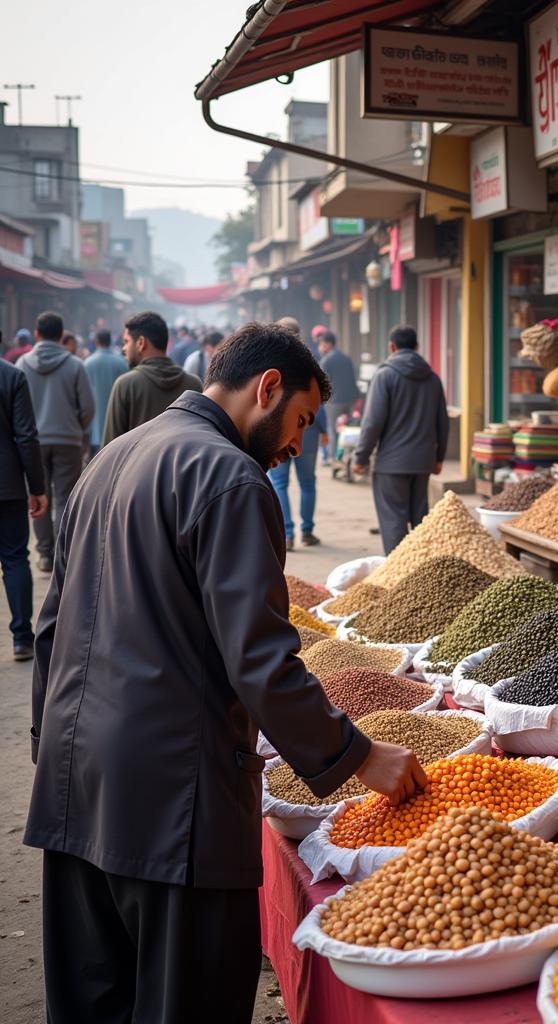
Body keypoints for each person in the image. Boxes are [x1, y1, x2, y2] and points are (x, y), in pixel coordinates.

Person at [25, 321, 427, 1024]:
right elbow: (262, 659)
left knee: (96, 1000)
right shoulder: (230, 476)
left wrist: (50, 750)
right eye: (300, 419)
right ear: (266, 388)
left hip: (74, 782)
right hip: (171, 800)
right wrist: (360, 756)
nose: (299, 443)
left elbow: (53, 625)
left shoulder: (112, 457)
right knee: (189, 1001)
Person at [353, 325, 449, 554]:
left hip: (391, 463)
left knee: (393, 521)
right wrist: (439, 457)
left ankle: (399, 580)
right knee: (420, 519)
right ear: (417, 347)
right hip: (423, 462)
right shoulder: (433, 379)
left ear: (391, 346)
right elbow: (442, 423)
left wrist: (361, 457)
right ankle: (422, 571)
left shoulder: (384, 376)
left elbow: (372, 422)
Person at [16, 312, 94, 573]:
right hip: (67, 441)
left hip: (32, 442)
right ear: (62, 336)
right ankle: (63, 555)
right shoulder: (75, 365)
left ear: (36, 334)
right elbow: (88, 407)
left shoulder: (22, 365)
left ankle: (45, 554)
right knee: (64, 498)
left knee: (38, 497)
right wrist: (75, 428)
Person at [0, 358, 47, 660]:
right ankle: (21, 638)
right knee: (16, 558)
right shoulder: (12, 376)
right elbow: (26, 436)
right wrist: (37, 487)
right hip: (8, 485)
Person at [103, 311, 202, 445]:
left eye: (126, 341)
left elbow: (110, 447)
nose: (123, 349)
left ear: (141, 343)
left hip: (136, 466)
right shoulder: (194, 384)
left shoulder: (126, 384)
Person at [268, 403, 329, 549]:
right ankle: (307, 532)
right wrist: (324, 430)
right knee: (307, 484)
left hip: (279, 433)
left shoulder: (269, 381)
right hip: (307, 434)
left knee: (279, 484)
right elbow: (317, 405)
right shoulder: (307, 380)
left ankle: (287, 535)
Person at [83, 329, 127, 457]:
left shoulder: (88, 363)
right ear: (110, 341)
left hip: (94, 426)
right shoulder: (121, 363)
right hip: (116, 428)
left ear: (96, 342)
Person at [318, 329, 358, 463]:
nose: (320, 347)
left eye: (321, 344)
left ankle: (335, 458)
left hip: (334, 401)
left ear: (328, 344)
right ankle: (352, 456)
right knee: (351, 428)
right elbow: (353, 377)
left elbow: (321, 382)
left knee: (332, 429)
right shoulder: (346, 358)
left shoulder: (326, 360)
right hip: (351, 399)